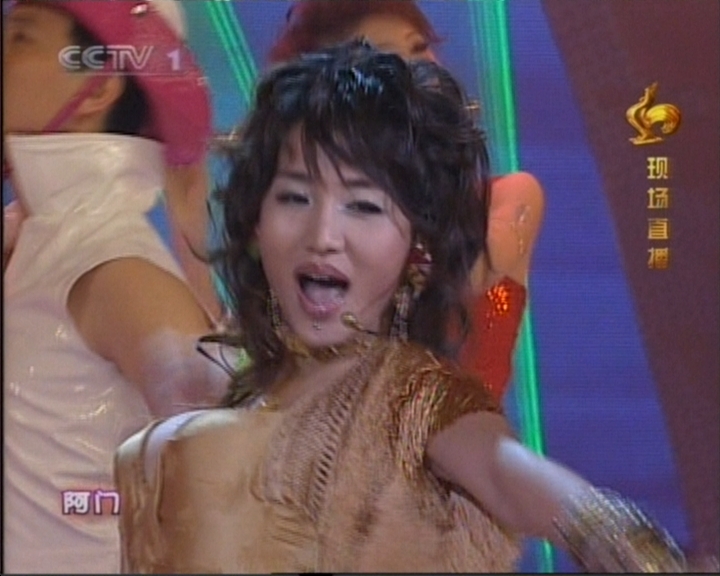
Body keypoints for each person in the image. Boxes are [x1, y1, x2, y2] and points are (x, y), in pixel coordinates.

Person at [115, 41, 687, 573]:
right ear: (255, 222)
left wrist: (632, 549)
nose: (323, 235)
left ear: (416, 246)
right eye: (295, 197)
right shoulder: (240, 391)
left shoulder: (410, 396)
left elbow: (506, 472)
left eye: (363, 206)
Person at [3, 0, 230, 572]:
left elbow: (235, 481)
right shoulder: (35, 241)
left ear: (100, 86)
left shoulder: (115, 265)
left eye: (20, 38)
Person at [265, 0, 545, 400]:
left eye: (417, 47)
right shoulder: (311, 223)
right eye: (382, 58)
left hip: (457, 434)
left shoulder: (507, 197)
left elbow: (469, 274)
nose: (414, 69)